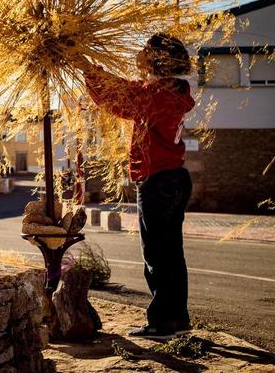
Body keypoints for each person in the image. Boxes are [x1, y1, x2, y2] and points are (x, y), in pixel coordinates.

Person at [79, 33, 195, 339]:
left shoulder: (156, 95)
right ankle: (176, 320)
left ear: (157, 59)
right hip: (174, 179)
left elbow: (119, 97)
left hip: (159, 181)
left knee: (157, 254)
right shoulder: (172, 92)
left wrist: (85, 67)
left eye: (145, 50)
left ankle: (161, 324)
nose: (139, 54)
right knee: (171, 253)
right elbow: (127, 91)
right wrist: (90, 67)